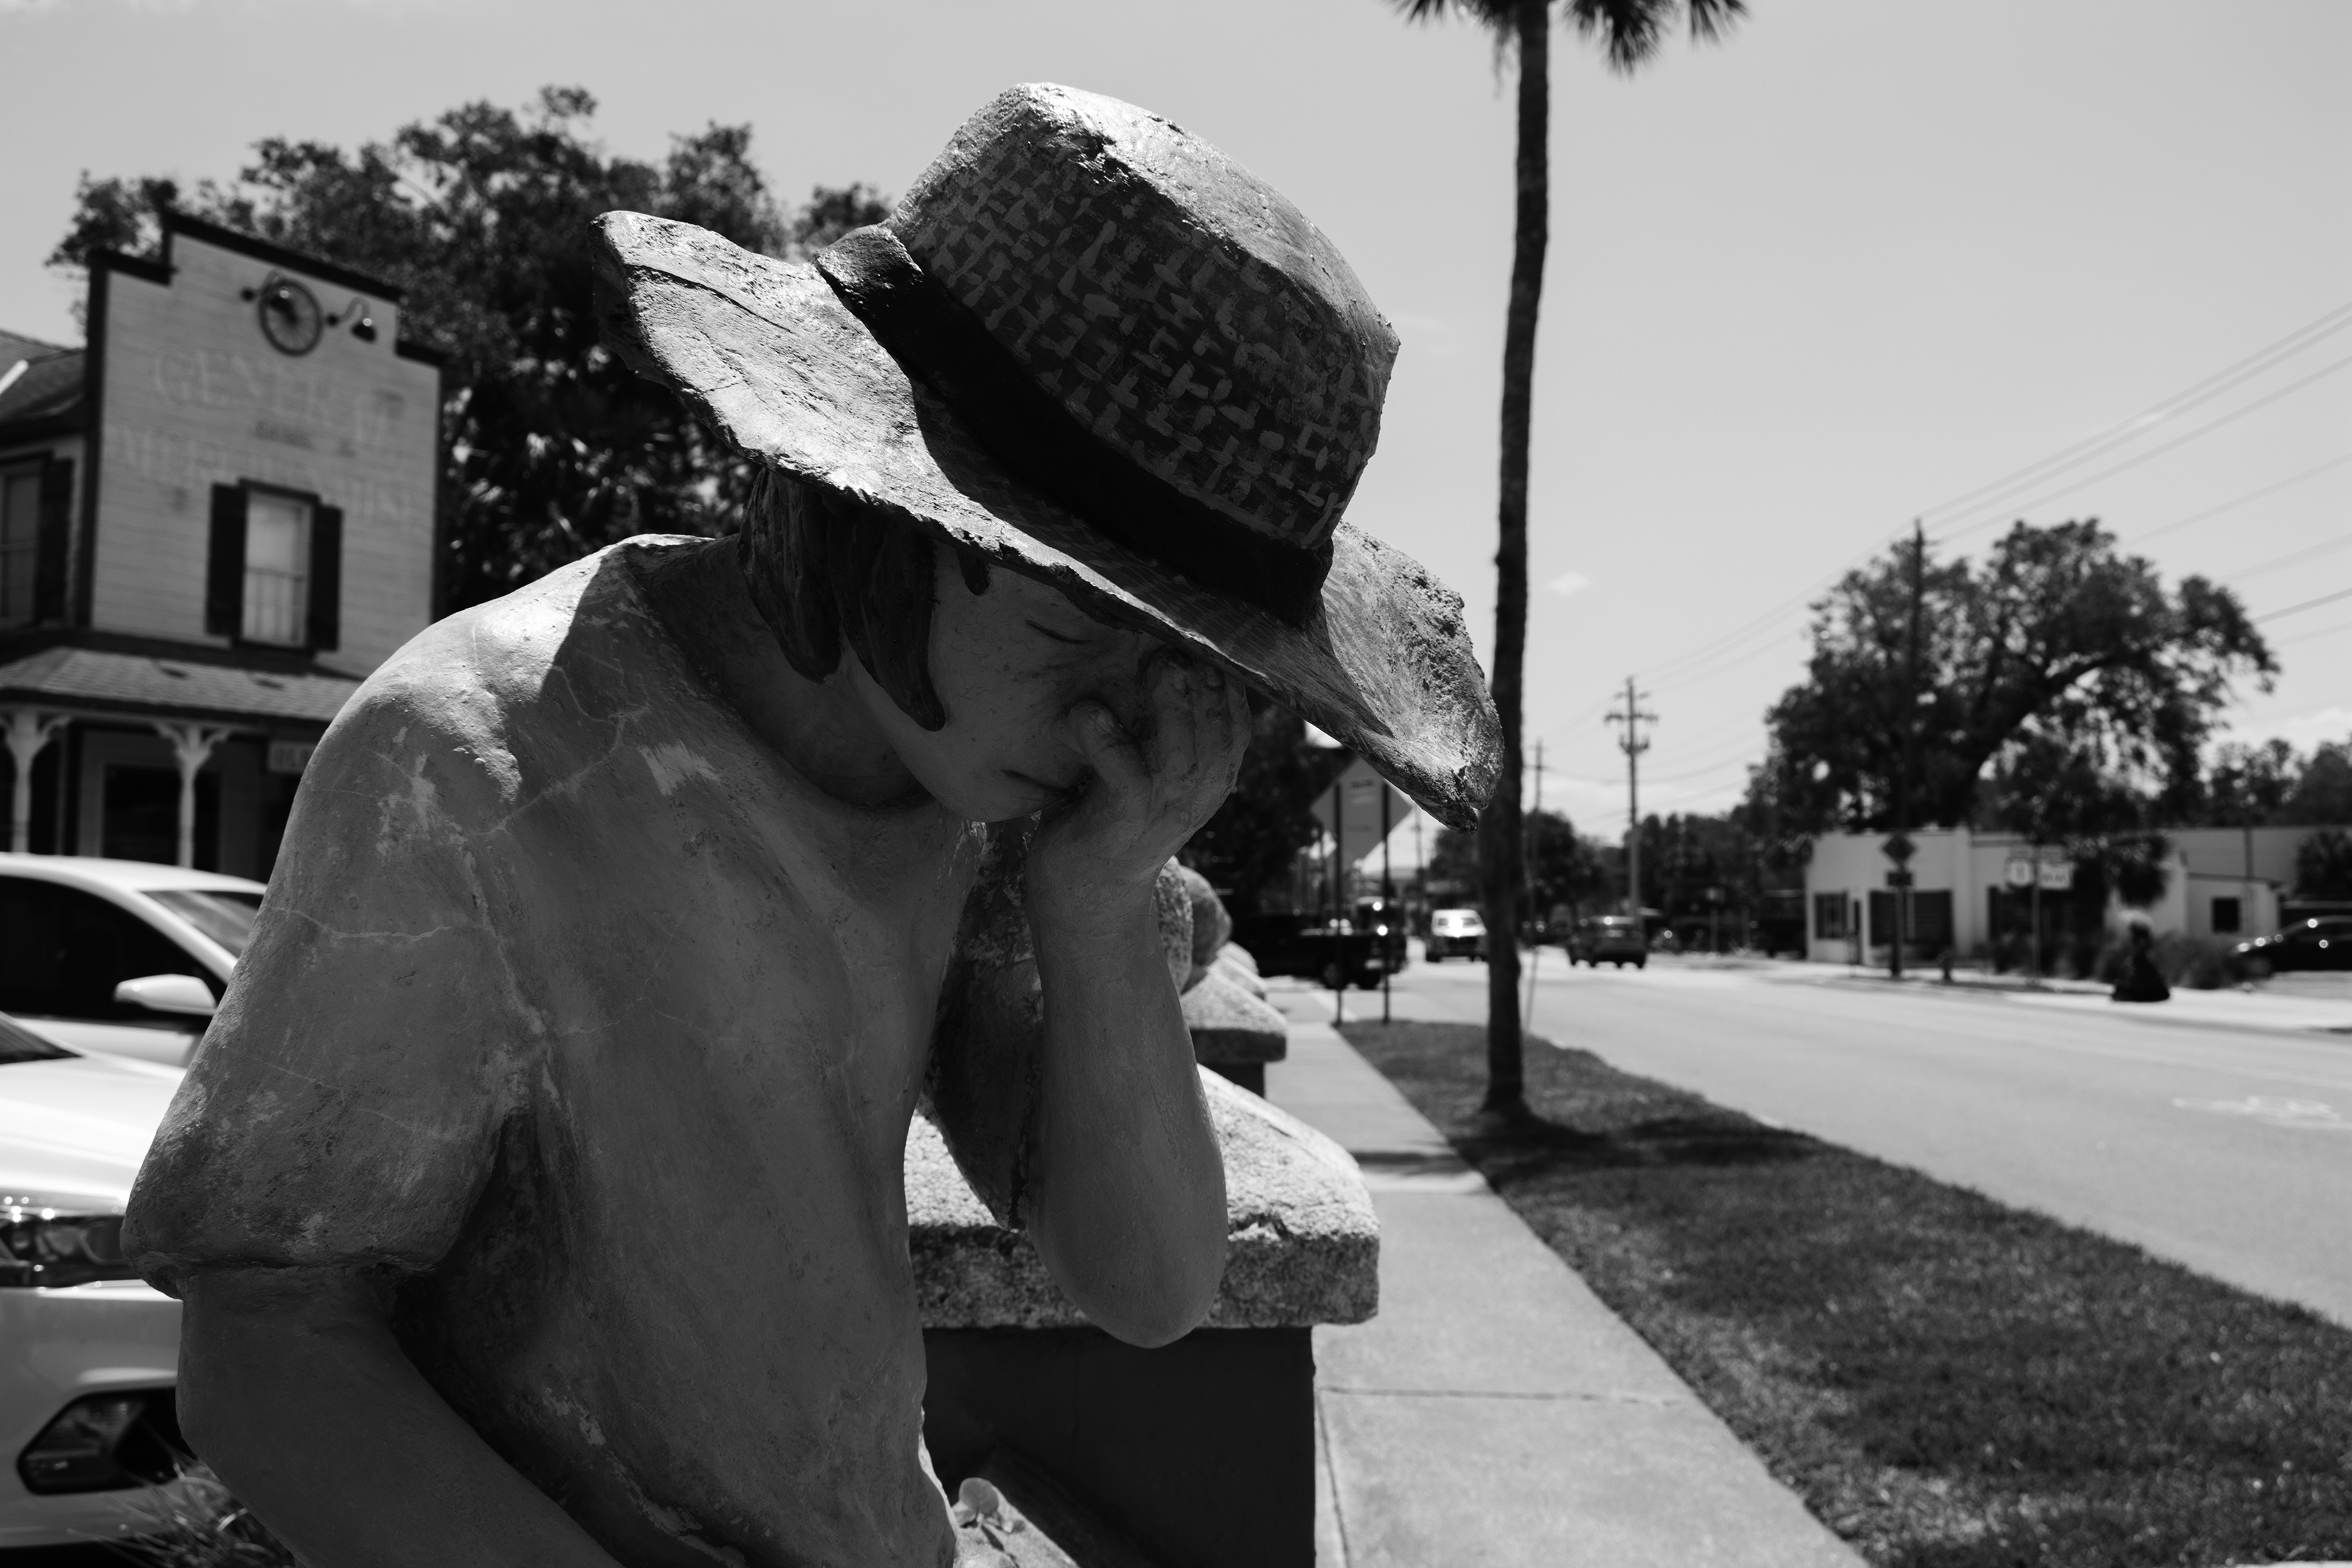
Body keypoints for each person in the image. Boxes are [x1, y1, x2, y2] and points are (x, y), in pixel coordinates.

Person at [123, 83, 1498, 1567]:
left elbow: (1151, 1286)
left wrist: (1101, 907)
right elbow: (265, 1335)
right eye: (1080, 614)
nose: (1124, 725)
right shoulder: (472, 760)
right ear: (898, 508)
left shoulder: (985, 808)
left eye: (1188, 662)